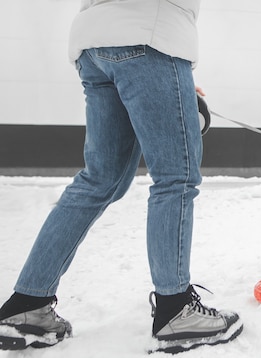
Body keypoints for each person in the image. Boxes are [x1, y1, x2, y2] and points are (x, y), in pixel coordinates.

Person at [0, 0, 242, 353]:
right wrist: (165, 66)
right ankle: (176, 310)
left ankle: (27, 306)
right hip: (150, 37)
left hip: (95, 43)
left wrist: (171, 79)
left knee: (98, 179)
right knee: (176, 177)